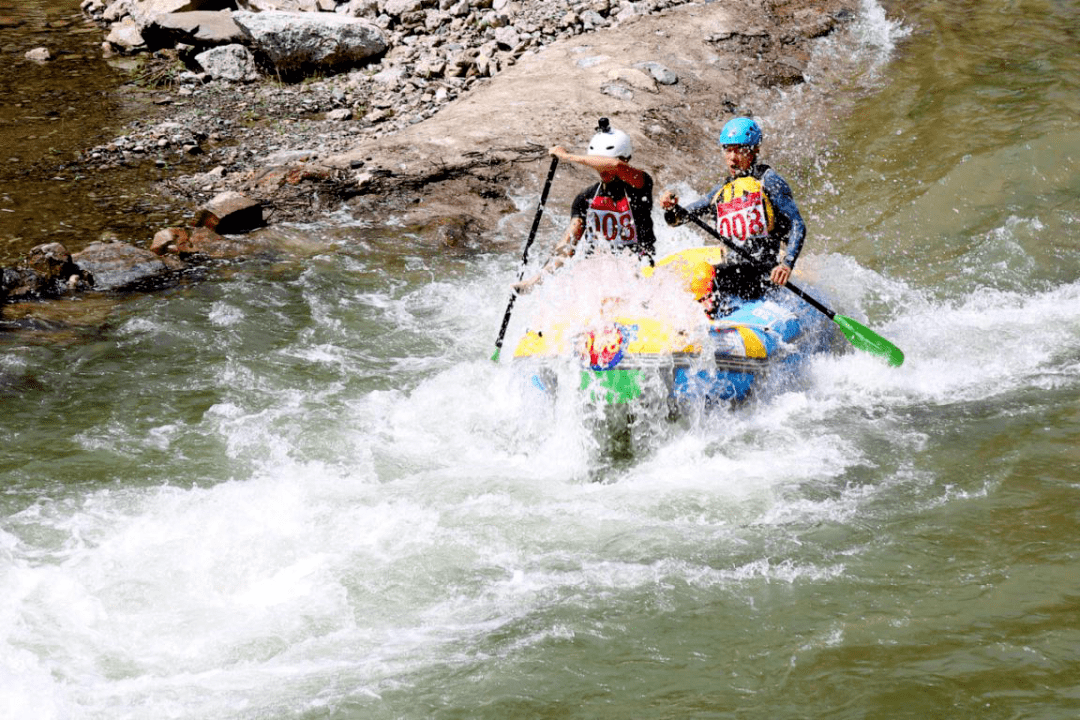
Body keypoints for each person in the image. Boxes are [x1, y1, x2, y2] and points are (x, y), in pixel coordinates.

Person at [659, 117, 805, 316]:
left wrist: (787, 264)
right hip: (735, 273)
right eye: (728, 150)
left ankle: (710, 320)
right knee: (682, 278)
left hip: (762, 276)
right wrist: (670, 208)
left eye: (740, 150)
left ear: (755, 150)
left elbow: (797, 223)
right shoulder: (722, 192)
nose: (732, 158)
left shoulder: (769, 182)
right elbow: (677, 220)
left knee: (703, 272)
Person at [514, 118, 657, 294]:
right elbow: (567, 247)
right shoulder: (585, 198)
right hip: (598, 272)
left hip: (638, 265)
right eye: (598, 162)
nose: (604, 169)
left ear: (626, 158)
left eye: (604, 161)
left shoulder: (640, 185)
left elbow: (615, 166)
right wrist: (535, 280)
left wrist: (567, 157)